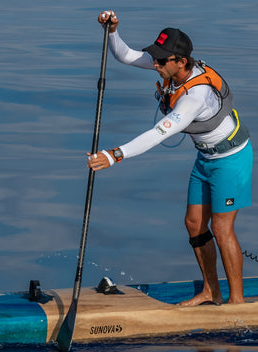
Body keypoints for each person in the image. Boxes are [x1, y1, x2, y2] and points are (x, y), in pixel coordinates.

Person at [88, 10, 253, 306]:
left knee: (221, 227)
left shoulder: (196, 95)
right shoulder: (169, 67)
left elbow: (158, 134)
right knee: (194, 224)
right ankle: (211, 291)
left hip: (231, 159)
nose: (155, 63)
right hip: (205, 159)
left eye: (162, 60)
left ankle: (236, 302)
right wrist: (112, 31)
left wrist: (114, 155)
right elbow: (125, 56)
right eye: (156, 57)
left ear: (181, 62)